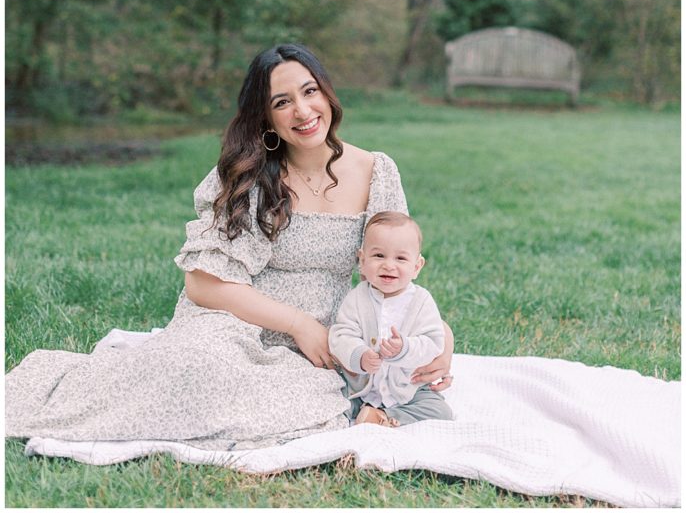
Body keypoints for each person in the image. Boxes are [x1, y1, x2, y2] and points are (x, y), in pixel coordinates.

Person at [5, 44, 453, 451]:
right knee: (204, 372)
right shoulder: (248, 175)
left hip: (324, 340)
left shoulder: (377, 170)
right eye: (282, 102)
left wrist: (442, 344)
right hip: (234, 321)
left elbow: (397, 273)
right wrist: (297, 323)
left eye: (309, 91)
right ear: (267, 117)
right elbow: (203, 285)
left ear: (327, 93)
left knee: (305, 395)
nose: (303, 110)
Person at [330, 211, 454, 427]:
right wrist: (360, 355)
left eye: (400, 258)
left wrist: (404, 349)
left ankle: (386, 417)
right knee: (330, 402)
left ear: (417, 267)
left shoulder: (421, 301)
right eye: (379, 256)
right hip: (360, 388)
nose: (388, 265)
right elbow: (341, 334)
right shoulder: (357, 298)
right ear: (362, 260)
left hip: (408, 389)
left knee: (440, 411)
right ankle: (362, 413)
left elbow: (433, 341)